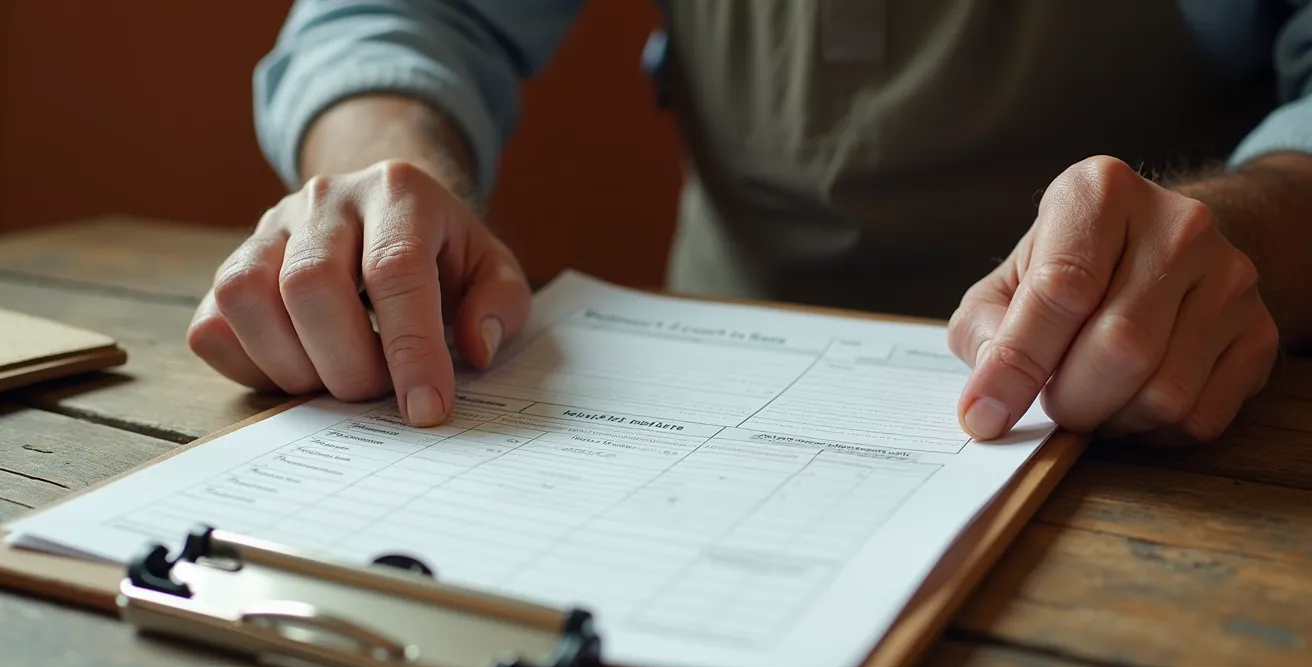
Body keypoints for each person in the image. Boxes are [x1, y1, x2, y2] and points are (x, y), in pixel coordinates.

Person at [188, 0, 1312, 446]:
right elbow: (404, 15)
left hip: (1173, 420)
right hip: (704, 401)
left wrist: (1248, 229)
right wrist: (381, 173)